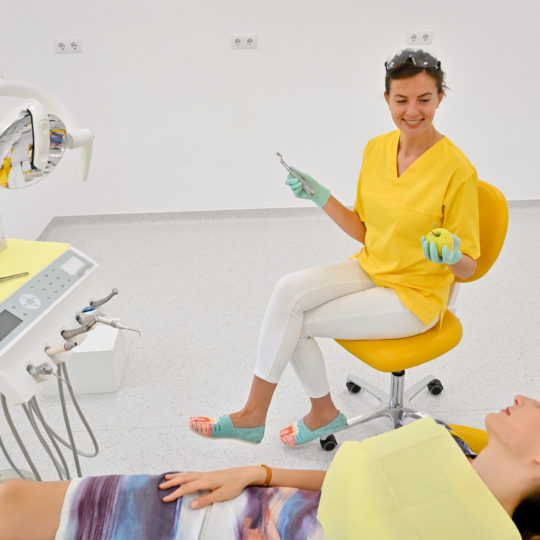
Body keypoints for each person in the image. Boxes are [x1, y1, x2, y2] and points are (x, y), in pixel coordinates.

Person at [189, 48, 481, 447]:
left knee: (296, 325)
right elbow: (365, 231)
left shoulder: (457, 170)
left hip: (415, 295)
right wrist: (320, 196)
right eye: (401, 100)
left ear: (440, 98)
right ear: (386, 100)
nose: (412, 111)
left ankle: (302, 414)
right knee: (288, 291)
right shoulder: (377, 149)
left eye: (424, 99)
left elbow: (468, 267)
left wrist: (452, 255)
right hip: (371, 266)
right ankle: (262, 413)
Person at [0, 396, 539, 539]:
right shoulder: (448, 446)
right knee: (16, 501)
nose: (524, 398)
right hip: (233, 503)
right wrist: (256, 472)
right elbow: (351, 481)